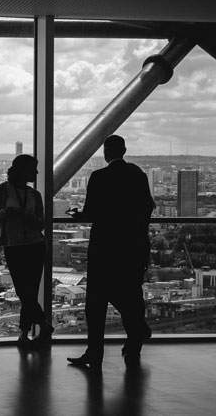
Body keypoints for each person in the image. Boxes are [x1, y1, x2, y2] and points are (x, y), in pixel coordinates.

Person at [66, 135, 155, 372]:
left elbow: (91, 214)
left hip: (104, 248)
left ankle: (95, 353)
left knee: (96, 303)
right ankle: (134, 342)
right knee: (131, 295)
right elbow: (148, 208)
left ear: (106, 153)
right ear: (124, 150)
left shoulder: (99, 177)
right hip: (132, 247)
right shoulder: (138, 175)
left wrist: (78, 216)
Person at [0, 154, 52, 348]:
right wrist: (4, 214)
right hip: (16, 245)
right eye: (33, 169)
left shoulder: (34, 195)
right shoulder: (2, 191)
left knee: (28, 291)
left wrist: (27, 218)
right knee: (24, 291)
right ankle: (42, 324)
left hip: (32, 245)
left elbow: (41, 222)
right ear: (23, 171)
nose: (36, 172)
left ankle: (24, 333)